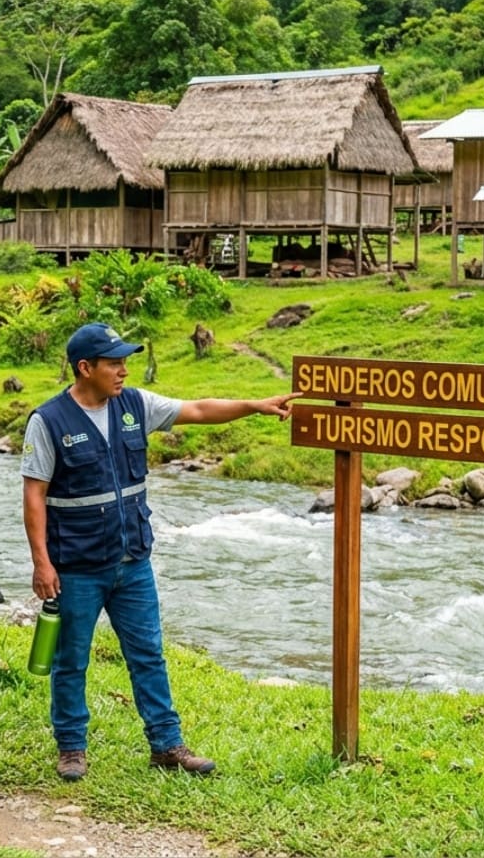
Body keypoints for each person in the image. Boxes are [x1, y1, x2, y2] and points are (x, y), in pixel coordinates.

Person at [22, 322, 301, 782]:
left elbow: (196, 409)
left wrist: (254, 406)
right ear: (85, 368)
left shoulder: (134, 405)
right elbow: (34, 495)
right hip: (75, 566)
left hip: (132, 560)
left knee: (148, 652)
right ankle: (71, 747)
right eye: (114, 363)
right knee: (70, 659)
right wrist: (42, 563)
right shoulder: (48, 421)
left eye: (125, 361)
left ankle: (167, 746)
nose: (124, 371)